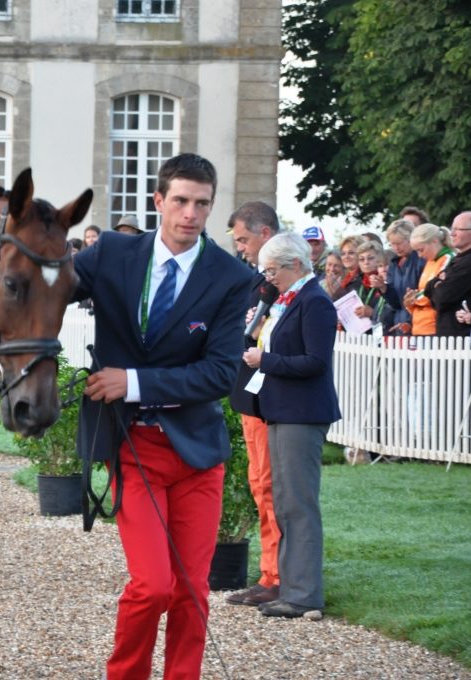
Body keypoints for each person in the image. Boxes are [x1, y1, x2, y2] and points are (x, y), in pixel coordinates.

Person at [74, 153, 253, 680]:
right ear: (158, 201)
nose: (190, 214)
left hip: (198, 454)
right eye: (180, 200)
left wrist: (130, 382)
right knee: (153, 585)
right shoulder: (111, 254)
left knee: (192, 590)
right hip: (134, 447)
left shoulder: (229, 276)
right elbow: (46, 284)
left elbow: (221, 374)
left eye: (202, 203)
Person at [241, 232, 340, 619]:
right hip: (281, 411)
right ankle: (291, 587)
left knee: (299, 504)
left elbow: (315, 361)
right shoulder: (289, 300)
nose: (268, 278)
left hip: (303, 414)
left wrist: (264, 360)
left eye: (273, 270)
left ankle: (305, 595)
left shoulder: (315, 302)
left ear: (295, 265)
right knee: (284, 502)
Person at [224, 201, 284, 609]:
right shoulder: (256, 285)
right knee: (259, 485)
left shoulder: (285, 288)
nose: (241, 248)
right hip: (249, 395)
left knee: (270, 488)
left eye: (244, 239)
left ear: (265, 234)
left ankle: (277, 575)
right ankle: (269, 573)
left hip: (272, 401)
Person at [426, 211, 471, 337]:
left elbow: (443, 297)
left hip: (463, 338)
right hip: (449, 337)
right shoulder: (458, 259)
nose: (452, 234)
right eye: (452, 229)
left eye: (458, 229)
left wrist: (437, 284)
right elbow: (429, 290)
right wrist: (436, 284)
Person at [404, 223, 453, 337]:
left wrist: (414, 299)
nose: (419, 255)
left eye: (421, 250)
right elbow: (425, 291)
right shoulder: (430, 262)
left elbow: (434, 292)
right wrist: (410, 301)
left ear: (435, 241)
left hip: (434, 327)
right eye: (416, 251)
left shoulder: (448, 259)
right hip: (420, 327)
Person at [379, 219, 423, 335]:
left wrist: (410, 322)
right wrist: (384, 287)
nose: (396, 248)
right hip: (400, 324)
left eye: (399, 243)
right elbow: (396, 303)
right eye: (392, 244)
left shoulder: (421, 261)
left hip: (418, 324)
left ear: (410, 239)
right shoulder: (394, 264)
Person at [349, 240, 388, 329]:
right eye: (361, 259)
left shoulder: (387, 281)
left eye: (370, 258)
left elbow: (394, 310)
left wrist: (373, 313)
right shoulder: (356, 284)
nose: (366, 262)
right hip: (360, 335)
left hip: (385, 333)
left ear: (380, 259)